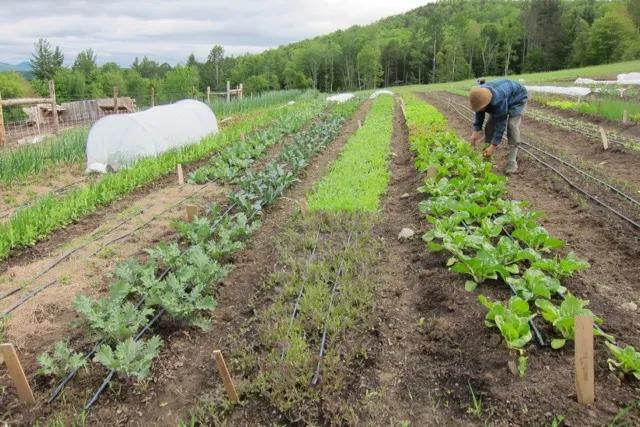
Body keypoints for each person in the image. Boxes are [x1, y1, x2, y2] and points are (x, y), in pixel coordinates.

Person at [469, 78, 528, 174]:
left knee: (512, 125)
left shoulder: (498, 99)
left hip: (518, 97)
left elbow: (500, 125)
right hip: (505, 95)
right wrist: (475, 131)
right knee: (489, 125)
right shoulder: (480, 94)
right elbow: (479, 111)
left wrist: (493, 146)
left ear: (487, 103)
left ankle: (512, 162)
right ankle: (487, 157)